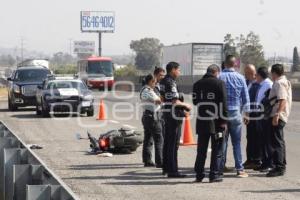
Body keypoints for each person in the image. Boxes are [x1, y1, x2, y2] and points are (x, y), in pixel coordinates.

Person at [193, 64, 228, 183]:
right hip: (217, 121)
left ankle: (199, 174)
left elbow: (195, 101)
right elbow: (223, 103)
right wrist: (224, 120)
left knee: (201, 150)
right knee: (217, 149)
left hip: (202, 121)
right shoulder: (219, 83)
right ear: (216, 72)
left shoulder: (197, 84)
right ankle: (214, 174)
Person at [219, 55, 250, 178]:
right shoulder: (241, 77)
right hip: (236, 113)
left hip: (222, 113)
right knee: (236, 142)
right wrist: (246, 114)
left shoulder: (219, 76)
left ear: (225, 64)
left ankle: (221, 166)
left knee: (223, 141)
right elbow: (246, 98)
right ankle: (240, 169)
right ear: (235, 64)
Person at [160, 61, 191, 178]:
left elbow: (162, 98)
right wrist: (186, 105)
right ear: (173, 70)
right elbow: (174, 101)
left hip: (166, 113)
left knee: (168, 142)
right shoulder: (171, 82)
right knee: (173, 144)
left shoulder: (162, 81)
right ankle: (173, 171)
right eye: (178, 70)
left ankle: (166, 168)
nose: (179, 72)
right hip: (174, 115)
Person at [266, 64, 292, 177]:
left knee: (277, 142)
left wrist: (277, 114)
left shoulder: (279, 83)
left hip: (278, 115)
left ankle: (279, 167)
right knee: (279, 141)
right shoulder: (285, 81)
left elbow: (282, 100)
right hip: (280, 115)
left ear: (274, 73)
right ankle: (281, 165)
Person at [140, 74, 164, 168]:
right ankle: (160, 161)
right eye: (154, 82)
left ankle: (147, 160)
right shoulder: (147, 91)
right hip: (152, 117)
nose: (155, 84)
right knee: (159, 139)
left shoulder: (145, 90)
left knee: (148, 139)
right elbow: (158, 101)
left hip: (147, 116)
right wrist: (162, 97)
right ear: (150, 82)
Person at [254, 66, 273, 172]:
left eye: (256, 74)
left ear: (260, 75)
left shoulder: (269, 85)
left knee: (267, 141)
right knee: (262, 140)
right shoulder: (262, 84)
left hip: (265, 116)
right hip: (260, 114)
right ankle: (264, 162)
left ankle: (269, 163)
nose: (255, 77)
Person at [243, 64, 262, 169]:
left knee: (256, 138)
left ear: (252, 73)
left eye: (246, 73)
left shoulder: (259, 84)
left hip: (256, 115)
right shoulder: (247, 82)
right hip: (249, 114)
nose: (245, 75)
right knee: (249, 137)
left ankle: (256, 159)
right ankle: (249, 159)